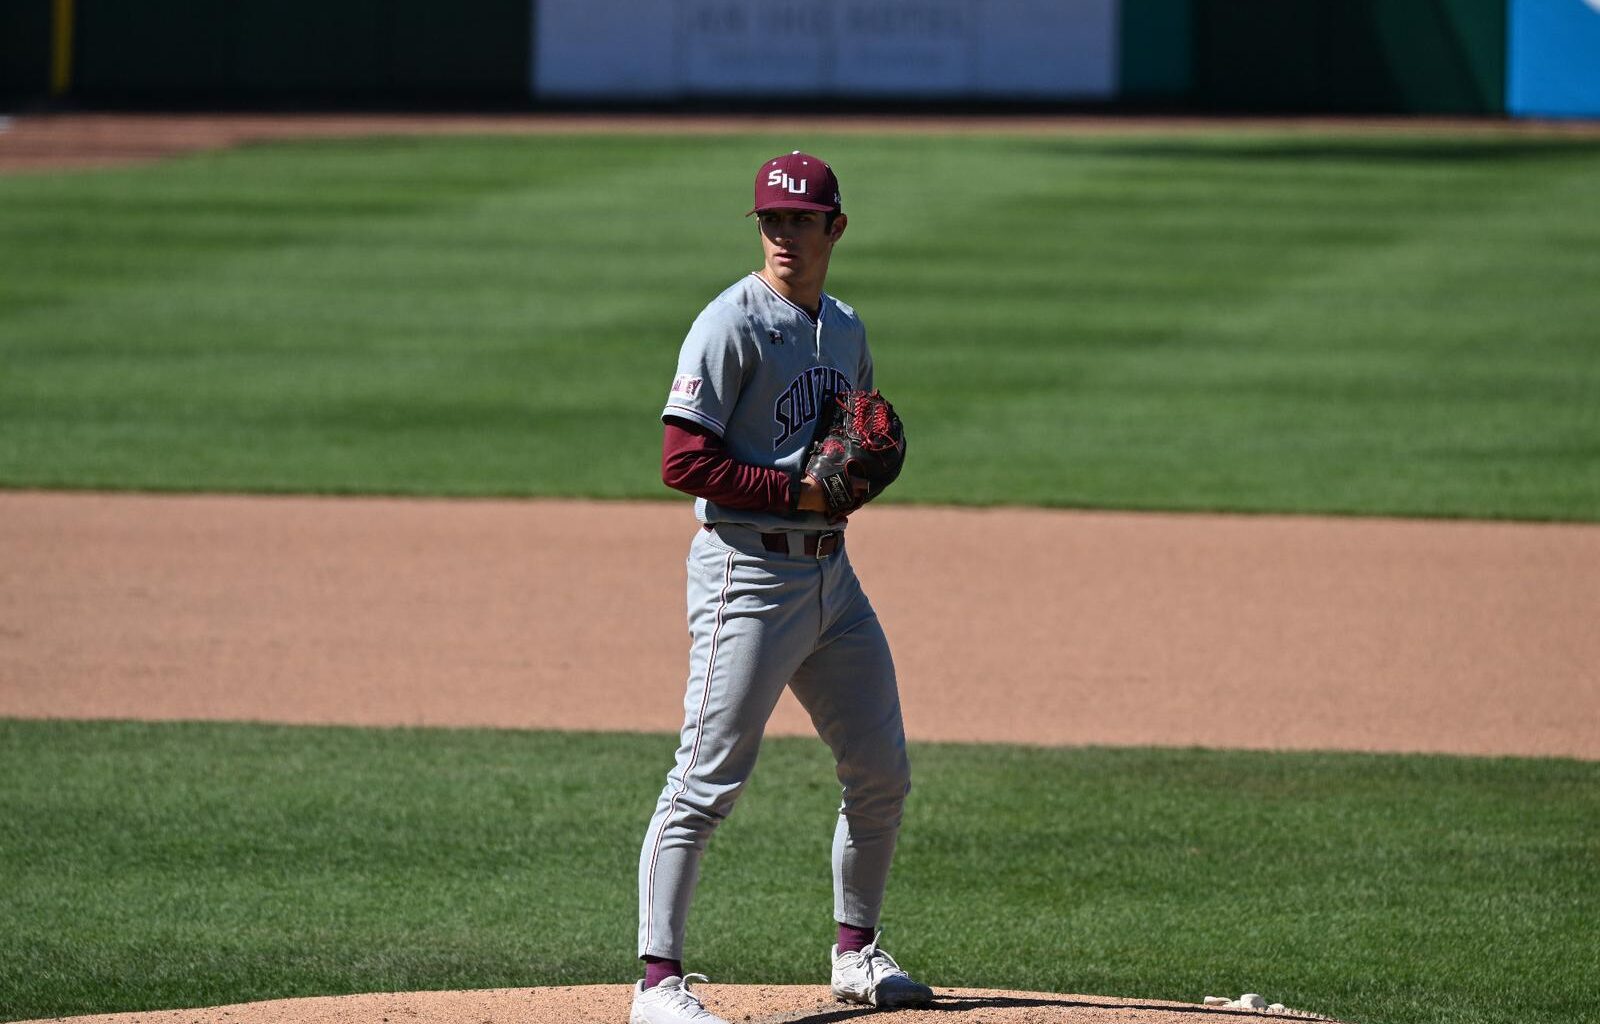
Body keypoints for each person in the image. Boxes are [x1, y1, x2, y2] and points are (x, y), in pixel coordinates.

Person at [630, 151, 932, 1024]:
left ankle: (856, 953)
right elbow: (681, 459)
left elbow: (856, 445)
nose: (785, 235)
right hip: (747, 574)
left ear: (835, 228)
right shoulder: (730, 323)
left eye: (802, 220)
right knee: (705, 779)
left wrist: (854, 484)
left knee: (880, 770)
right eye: (772, 221)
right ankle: (656, 984)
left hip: (832, 576)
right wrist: (797, 492)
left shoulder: (845, 328)